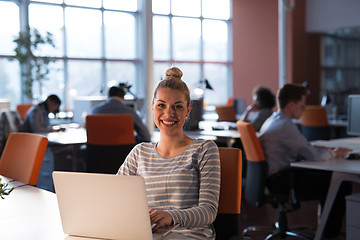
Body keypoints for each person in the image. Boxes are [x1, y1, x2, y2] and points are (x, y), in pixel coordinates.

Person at [117, 66, 221, 239]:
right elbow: (115, 196)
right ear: (152, 109)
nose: (168, 113)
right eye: (161, 105)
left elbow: (208, 212)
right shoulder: (139, 152)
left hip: (189, 235)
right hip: (146, 235)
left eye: (178, 107)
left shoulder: (204, 149)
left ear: (188, 110)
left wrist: (172, 216)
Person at [259, 83, 352, 239]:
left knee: (326, 178)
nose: (304, 110)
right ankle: (328, 235)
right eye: (302, 106)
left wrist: (317, 147)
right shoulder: (285, 125)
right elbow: (314, 156)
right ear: (290, 105)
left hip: (273, 177)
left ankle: (324, 228)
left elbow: (302, 147)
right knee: (341, 183)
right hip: (284, 180)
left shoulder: (274, 119)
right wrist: (334, 153)